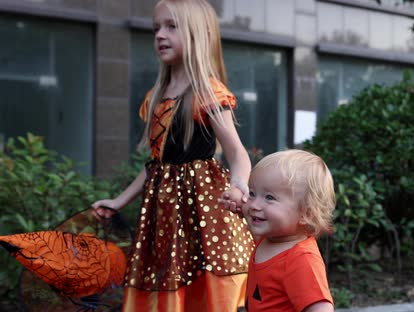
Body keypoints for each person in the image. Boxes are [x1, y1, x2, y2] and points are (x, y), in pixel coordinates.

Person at [91, 0, 254, 311]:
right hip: (163, 213)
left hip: (202, 209)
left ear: (198, 34)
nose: (160, 35)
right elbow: (156, 165)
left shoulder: (208, 93)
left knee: (201, 283)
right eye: (156, 28)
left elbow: (237, 153)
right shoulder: (156, 97)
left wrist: (239, 185)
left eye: (171, 26)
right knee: (165, 276)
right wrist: (119, 201)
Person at [240, 150, 335, 312]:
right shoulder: (270, 237)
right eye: (252, 193)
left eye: (269, 197)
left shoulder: (301, 259)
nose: (254, 205)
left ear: (306, 213)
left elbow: (321, 308)